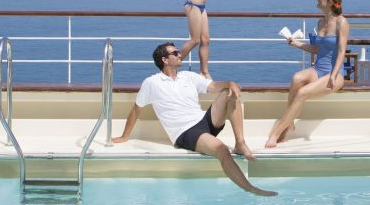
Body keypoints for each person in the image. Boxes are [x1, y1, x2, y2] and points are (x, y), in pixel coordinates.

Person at [112, 42, 276, 196]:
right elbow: (136, 109)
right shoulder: (152, 83)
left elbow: (212, 86)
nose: (179, 54)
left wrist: (230, 83)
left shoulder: (188, 76)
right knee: (222, 150)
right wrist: (125, 136)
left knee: (228, 92)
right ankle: (251, 189)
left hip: (204, 121)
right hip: (186, 132)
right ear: (164, 59)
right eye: (175, 53)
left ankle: (240, 143)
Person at [265, 0, 349, 148]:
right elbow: (318, 49)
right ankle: (289, 123)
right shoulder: (321, 22)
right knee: (296, 78)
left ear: (331, 1)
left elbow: (341, 52)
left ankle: (277, 132)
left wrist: (333, 75)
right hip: (318, 69)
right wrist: (297, 44)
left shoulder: (341, 22)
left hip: (335, 74)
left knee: (302, 92)